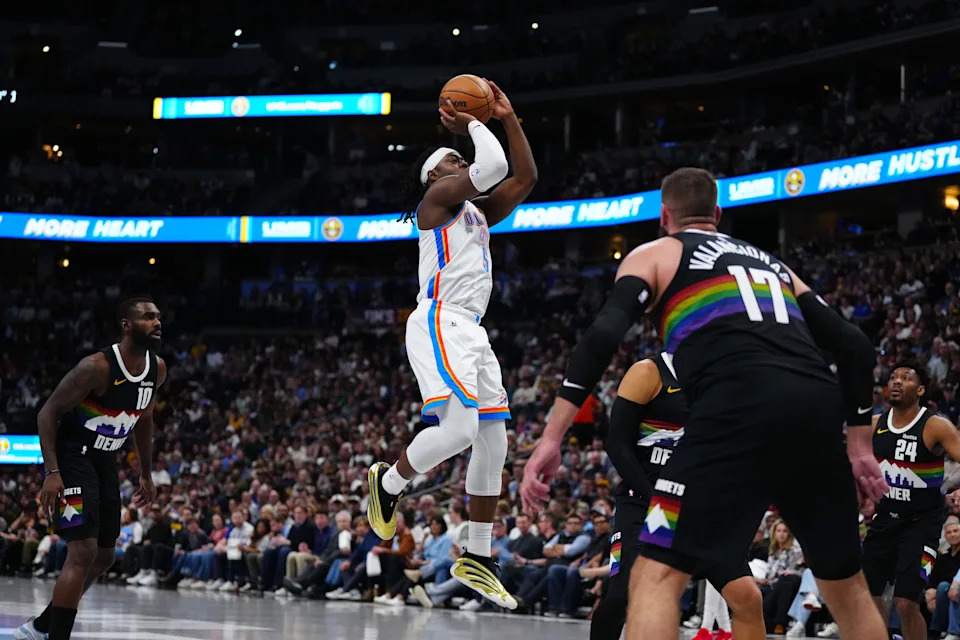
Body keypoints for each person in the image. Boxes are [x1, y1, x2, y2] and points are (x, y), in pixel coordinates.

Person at [520, 167, 889, 640]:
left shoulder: (657, 253)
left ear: (664, 215)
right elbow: (855, 345)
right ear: (718, 213)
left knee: (654, 573)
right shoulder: (772, 265)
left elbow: (604, 334)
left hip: (734, 404)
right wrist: (859, 448)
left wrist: (553, 436)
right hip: (815, 408)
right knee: (848, 590)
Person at [368, 79, 537, 610]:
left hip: (471, 328)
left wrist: (507, 118)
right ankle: (389, 481)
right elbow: (489, 167)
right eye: (451, 162)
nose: (459, 165)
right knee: (461, 430)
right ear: (435, 176)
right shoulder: (437, 200)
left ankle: (478, 556)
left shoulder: (478, 214)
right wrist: (472, 122)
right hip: (440, 320)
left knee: (495, 444)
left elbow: (525, 176)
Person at [16, 297, 165, 640]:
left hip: (104, 459)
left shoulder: (157, 368)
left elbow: (144, 419)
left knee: (105, 555)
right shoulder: (96, 367)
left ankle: (41, 627)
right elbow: (47, 414)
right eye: (148, 317)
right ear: (127, 325)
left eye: (158, 317)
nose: (157, 322)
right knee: (82, 551)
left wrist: (145, 472)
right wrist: (52, 473)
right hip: (73, 457)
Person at [591, 354, 765, 640]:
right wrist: (658, 500)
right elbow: (617, 444)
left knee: (747, 596)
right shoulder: (649, 372)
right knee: (622, 596)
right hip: (647, 504)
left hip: (700, 510)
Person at [863, 361, 960, 640]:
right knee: (869, 598)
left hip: (922, 525)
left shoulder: (935, 426)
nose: (896, 381)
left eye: (905, 378)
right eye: (893, 377)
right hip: (883, 521)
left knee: (906, 603)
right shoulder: (874, 424)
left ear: (919, 390)